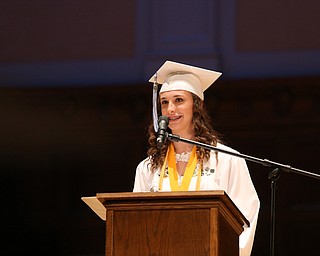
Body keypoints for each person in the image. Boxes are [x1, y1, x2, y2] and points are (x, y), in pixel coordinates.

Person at [133, 60, 260, 256]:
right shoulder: (147, 168)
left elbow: (246, 216)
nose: (170, 109)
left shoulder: (226, 160)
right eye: (164, 102)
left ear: (197, 105)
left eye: (179, 100)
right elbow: (136, 223)